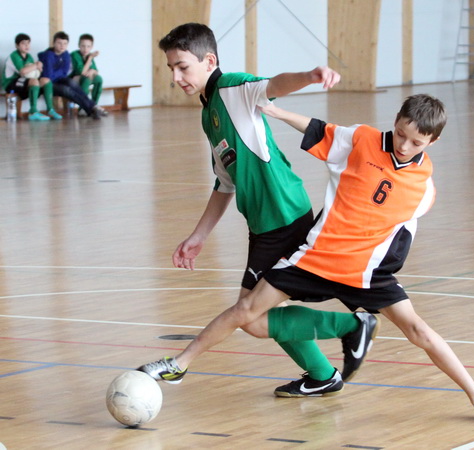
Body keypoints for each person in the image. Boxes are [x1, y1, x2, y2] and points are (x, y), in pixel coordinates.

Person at [139, 94, 474, 424]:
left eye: (416, 142)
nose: (404, 146)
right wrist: (275, 112)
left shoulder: (425, 187)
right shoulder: (361, 140)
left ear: (433, 141)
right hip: (317, 256)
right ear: (395, 121)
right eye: (401, 134)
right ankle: (179, 364)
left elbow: (402, 233)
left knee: (418, 331)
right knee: (247, 312)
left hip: (365, 271)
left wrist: (386, 269)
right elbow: (318, 129)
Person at [134, 22, 382, 390]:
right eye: (171, 68)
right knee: (264, 309)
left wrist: (310, 76)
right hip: (265, 223)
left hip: (283, 215)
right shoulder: (209, 113)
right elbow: (225, 182)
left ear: (209, 61)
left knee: (249, 315)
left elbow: (272, 85)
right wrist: (198, 236)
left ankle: (350, 326)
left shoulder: (232, 88)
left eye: (182, 66)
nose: (175, 77)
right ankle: (322, 375)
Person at [38, 31, 104, 120]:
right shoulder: (49, 55)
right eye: (59, 43)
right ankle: (91, 109)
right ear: (54, 43)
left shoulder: (65, 54)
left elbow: (64, 72)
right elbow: (49, 75)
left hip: (60, 79)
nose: (62, 46)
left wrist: (59, 72)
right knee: (67, 90)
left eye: (65, 43)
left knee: (72, 83)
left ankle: (92, 107)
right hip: (49, 84)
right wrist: (60, 72)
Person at [2, 33, 56, 121]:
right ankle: (33, 112)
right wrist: (36, 65)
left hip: (22, 81)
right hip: (10, 83)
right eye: (23, 43)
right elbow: (23, 71)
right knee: (34, 81)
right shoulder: (14, 56)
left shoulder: (29, 56)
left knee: (45, 80)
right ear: (17, 45)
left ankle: (50, 109)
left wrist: (39, 67)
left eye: (28, 43)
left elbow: (34, 72)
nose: (26, 46)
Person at [70, 33, 107, 116]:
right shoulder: (75, 54)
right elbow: (82, 72)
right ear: (79, 45)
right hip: (73, 79)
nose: (85, 49)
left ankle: (94, 105)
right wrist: (90, 58)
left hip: (84, 78)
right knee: (87, 78)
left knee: (99, 79)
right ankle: (83, 107)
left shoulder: (89, 55)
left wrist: (92, 71)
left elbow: (96, 71)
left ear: (91, 47)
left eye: (88, 46)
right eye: (83, 46)